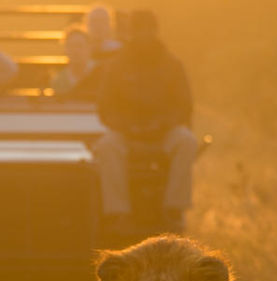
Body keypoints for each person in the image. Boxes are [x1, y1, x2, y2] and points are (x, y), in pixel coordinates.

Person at [94, 10, 198, 229]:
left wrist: (162, 125)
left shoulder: (172, 65)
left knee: (187, 141)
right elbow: (105, 107)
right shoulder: (116, 66)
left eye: (147, 30)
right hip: (126, 132)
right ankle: (118, 213)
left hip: (163, 132)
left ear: (155, 32)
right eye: (138, 30)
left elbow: (184, 105)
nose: (143, 36)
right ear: (130, 34)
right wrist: (127, 126)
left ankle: (174, 209)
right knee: (106, 146)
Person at [50, 26, 96, 96]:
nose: (75, 51)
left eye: (80, 46)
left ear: (89, 48)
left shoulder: (100, 73)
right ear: (66, 50)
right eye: (71, 46)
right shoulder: (58, 82)